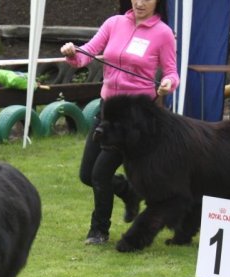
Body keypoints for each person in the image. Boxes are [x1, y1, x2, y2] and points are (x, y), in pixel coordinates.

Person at [61, 0, 179, 244]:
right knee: (86, 174)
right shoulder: (114, 23)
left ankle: (99, 230)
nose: (140, 2)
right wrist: (73, 53)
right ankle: (128, 191)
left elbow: (171, 72)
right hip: (107, 110)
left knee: (100, 173)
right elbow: (86, 54)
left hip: (133, 121)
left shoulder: (163, 33)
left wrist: (169, 84)